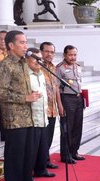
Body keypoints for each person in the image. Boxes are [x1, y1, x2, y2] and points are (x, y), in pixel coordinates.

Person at [0, 30, 41, 181]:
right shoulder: (5, 65)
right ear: (11, 45)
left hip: (28, 118)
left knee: (28, 156)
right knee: (15, 159)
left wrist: (32, 95)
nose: (25, 46)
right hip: (14, 120)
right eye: (21, 42)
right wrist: (24, 98)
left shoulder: (23, 63)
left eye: (26, 42)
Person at [25, 48, 55, 179]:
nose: (38, 61)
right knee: (31, 150)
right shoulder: (25, 74)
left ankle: (41, 169)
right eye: (35, 59)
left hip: (43, 115)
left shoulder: (42, 73)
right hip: (31, 117)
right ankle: (28, 175)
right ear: (27, 59)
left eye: (39, 59)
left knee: (43, 146)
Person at [56, 45, 86, 164]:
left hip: (78, 98)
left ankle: (74, 151)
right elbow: (56, 88)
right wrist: (60, 104)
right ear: (65, 55)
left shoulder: (78, 67)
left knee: (77, 126)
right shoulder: (60, 68)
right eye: (70, 55)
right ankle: (66, 154)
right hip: (66, 98)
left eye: (75, 55)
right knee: (67, 127)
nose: (73, 57)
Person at [39, 41, 63, 170]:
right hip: (42, 109)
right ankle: (40, 164)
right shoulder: (37, 66)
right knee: (42, 139)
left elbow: (56, 88)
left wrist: (59, 104)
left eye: (52, 52)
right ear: (41, 52)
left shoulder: (53, 67)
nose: (49, 54)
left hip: (52, 109)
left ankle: (46, 160)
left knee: (48, 137)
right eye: (47, 51)